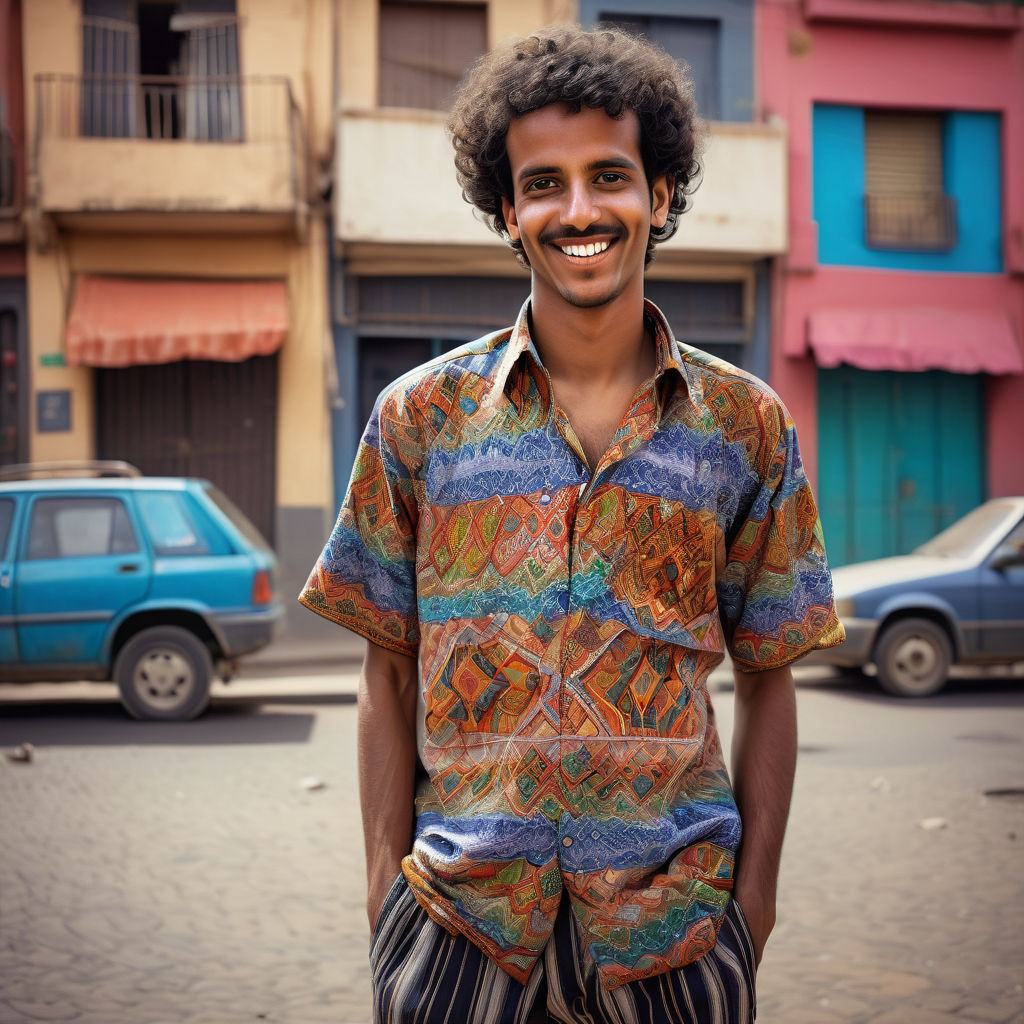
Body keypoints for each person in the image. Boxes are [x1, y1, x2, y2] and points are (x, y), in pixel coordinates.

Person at [300, 24, 844, 1024]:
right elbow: (383, 667)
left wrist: (750, 911)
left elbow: (772, 673)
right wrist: (384, 892)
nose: (579, 209)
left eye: (609, 175)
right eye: (542, 183)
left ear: (661, 195)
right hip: (457, 937)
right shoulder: (416, 419)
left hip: (672, 938)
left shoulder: (745, 426)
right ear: (508, 211)